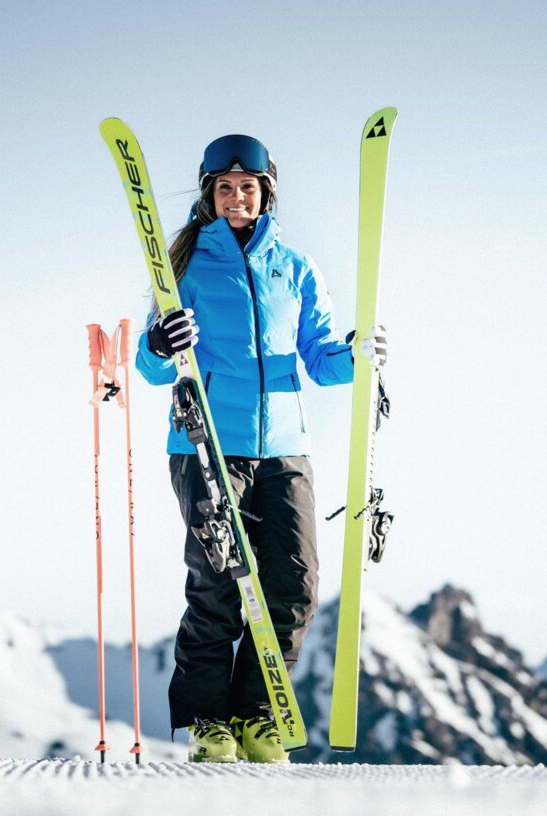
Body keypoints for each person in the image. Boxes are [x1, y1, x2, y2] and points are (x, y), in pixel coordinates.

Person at [135, 134, 387, 763]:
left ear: (265, 192)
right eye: (224, 188)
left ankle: (257, 715)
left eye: (247, 187)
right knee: (219, 581)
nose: (236, 197)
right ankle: (209, 723)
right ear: (209, 196)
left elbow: (321, 360)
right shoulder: (186, 268)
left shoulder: (295, 268)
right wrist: (162, 344)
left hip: (284, 450)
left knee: (295, 582)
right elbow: (151, 364)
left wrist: (357, 356)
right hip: (205, 444)